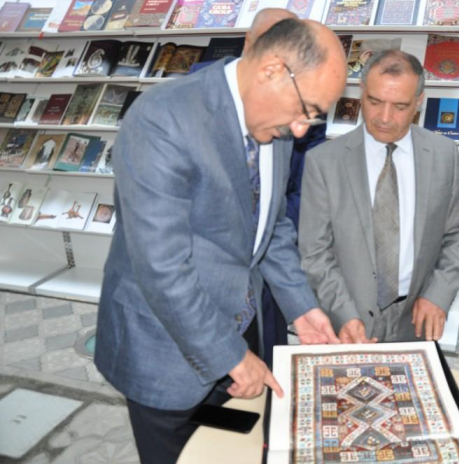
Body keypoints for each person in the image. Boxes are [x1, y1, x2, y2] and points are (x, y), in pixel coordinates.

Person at [94, 18, 346, 464]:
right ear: (272, 70)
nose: (304, 129)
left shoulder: (275, 121)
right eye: (307, 109)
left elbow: (271, 226)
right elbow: (161, 267)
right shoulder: (163, 118)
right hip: (164, 347)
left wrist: (301, 308)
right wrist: (230, 355)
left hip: (239, 329)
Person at [299, 50, 459, 344]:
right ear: (361, 91)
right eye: (375, 101)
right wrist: (344, 313)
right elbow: (314, 253)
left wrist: (438, 294)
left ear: (419, 101)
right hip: (347, 320)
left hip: (415, 317)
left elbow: (458, 234)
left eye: (400, 106)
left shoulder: (443, 155)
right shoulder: (324, 162)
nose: (384, 117)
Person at [242, 8, 329, 367]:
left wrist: (302, 306)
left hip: (268, 271)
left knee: (267, 369)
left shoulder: (295, 109)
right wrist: (227, 355)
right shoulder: (179, 115)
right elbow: (163, 259)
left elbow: (292, 195)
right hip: (178, 350)